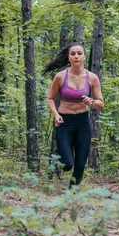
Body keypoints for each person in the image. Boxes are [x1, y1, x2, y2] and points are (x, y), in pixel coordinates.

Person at [44, 42, 104, 187]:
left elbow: (101, 104)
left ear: (84, 57)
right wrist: (56, 114)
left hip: (83, 123)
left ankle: (71, 194)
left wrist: (92, 102)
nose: (76, 56)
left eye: (79, 53)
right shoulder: (60, 77)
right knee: (67, 164)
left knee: (80, 163)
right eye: (73, 54)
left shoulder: (92, 78)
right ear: (69, 57)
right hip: (64, 123)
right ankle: (63, 165)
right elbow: (50, 98)